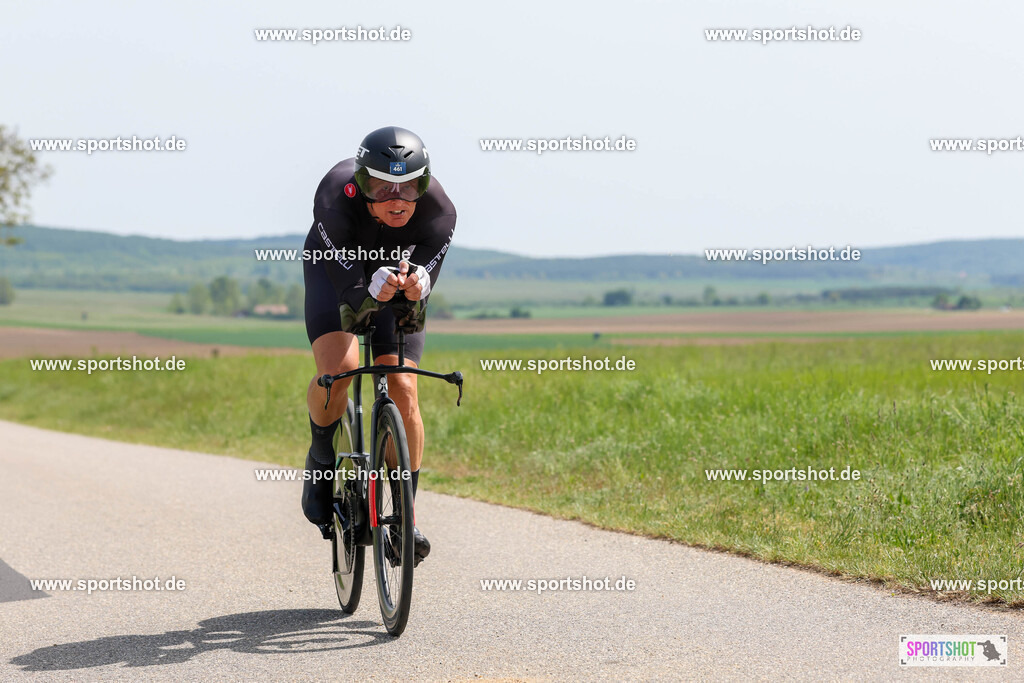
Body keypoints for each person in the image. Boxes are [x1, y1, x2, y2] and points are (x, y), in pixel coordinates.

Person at [300, 126, 456, 566]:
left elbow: (426, 271)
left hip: (396, 276)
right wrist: (365, 288)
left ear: (424, 183)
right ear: (361, 182)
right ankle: (321, 458)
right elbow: (350, 291)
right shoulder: (335, 195)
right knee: (339, 371)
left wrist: (418, 281)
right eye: (382, 187)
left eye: (409, 187)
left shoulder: (440, 210)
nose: (397, 199)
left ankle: (406, 514)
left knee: (403, 386)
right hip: (335, 271)